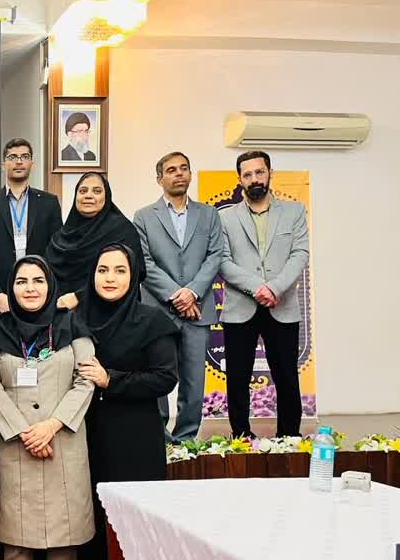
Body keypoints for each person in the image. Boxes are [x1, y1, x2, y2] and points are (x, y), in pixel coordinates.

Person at [0, 256, 95, 560]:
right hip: (15, 445)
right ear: (11, 289)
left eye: (37, 280)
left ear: (50, 285)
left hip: (62, 443)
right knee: (17, 539)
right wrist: (23, 431)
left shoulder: (72, 327)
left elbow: (86, 379)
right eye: (21, 281)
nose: (30, 288)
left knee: (64, 540)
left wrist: (51, 425)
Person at [76, 244, 179, 560]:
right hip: (88, 437)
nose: (110, 278)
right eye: (103, 270)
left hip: (134, 440)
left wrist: (111, 380)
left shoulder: (152, 321)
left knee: (129, 528)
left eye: (120, 270)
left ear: (133, 275)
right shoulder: (77, 320)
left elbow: (164, 377)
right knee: (94, 523)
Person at [219, 150, 310, 438]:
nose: (254, 178)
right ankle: (241, 437)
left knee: (287, 376)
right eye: (247, 174)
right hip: (240, 307)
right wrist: (258, 287)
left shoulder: (295, 212)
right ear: (239, 179)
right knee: (237, 377)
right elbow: (222, 260)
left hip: (282, 306)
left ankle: (289, 438)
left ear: (270, 173)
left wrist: (274, 288)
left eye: (259, 172)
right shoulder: (224, 217)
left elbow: (300, 253)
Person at [134, 151, 223, 443]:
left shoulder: (209, 214)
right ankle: (158, 437)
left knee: (194, 382)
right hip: (158, 311)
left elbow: (215, 255)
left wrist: (192, 292)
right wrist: (176, 295)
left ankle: (186, 439)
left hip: (198, 308)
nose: (179, 174)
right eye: (171, 170)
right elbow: (144, 262)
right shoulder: (144, 216)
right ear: (159, 179)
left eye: (184, 168)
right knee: (156, 376)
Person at [0, 139, 63, 318]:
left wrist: (45, 290)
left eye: (25, 156)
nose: (19, 161)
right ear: (3, 164)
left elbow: (56, 252)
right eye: (13, 157)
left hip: (37, 295)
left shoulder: (49, 202)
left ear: (32, 163)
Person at [45, 172, 143, 310]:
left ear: (106, 196)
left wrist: (79, 297)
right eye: (83, 191)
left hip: (109, 313)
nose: (88, 195)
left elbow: (133, 274)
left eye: (97, 191)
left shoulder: (122, 231)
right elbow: (47, 277)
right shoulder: (60, 238)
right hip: (63, 313)